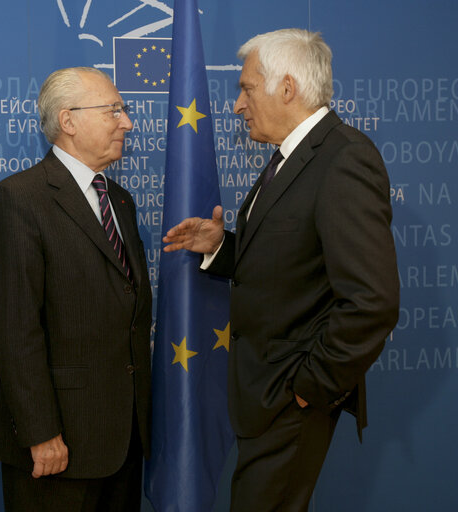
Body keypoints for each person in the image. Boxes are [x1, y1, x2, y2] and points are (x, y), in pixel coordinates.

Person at [162, 29, 400, 511]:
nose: (237, 105)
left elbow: (372, 302)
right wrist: (222, 247)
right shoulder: (290, 158)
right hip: (265, 396)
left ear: (287, 89)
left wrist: (310, 389)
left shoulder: (343, 159)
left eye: (247, 88)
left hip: (291, 396)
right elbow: (292, 262)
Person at [0, 67, 152, 512]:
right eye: (113, 110)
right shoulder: (18, 200)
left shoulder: (120, 200)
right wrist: (40, 432)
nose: (127, 122)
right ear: (68, 120)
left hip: (123, 441)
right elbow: (15, 332)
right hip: (57, 447)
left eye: (124, 110)